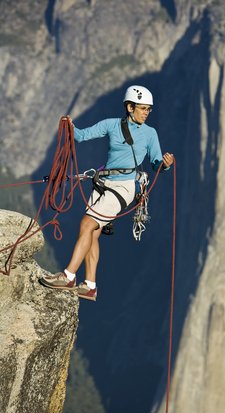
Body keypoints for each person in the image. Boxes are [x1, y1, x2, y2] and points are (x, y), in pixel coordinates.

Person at [41, 85, 174, 301]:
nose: (147, 113)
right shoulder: (112, 125)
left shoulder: (150, 134)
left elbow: (157, 162)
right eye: (143, 108)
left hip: (125, 187)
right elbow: (82, 136)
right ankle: (90, 286)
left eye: (149, 109)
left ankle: (68, 276)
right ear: (130, 107)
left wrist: (166, 164)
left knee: (87, 223)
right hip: (103, 183)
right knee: (93, 231)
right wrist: (70, 127)